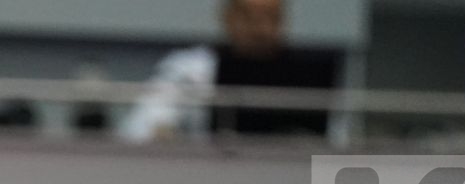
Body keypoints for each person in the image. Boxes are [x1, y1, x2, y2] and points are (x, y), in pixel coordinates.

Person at [119, 0, 338, 142]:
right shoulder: (191, 70)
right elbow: (139, 127)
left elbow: (340, 141)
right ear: (228, 17)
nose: (261, 30)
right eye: (250, 18)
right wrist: (162, 134)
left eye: (273, 18)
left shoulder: (307, 77)